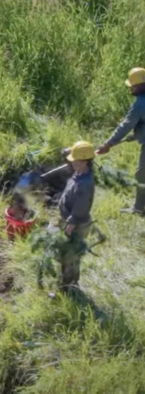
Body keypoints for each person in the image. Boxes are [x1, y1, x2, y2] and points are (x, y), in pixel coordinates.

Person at [96, 67, 145, 215]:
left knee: (142, 174)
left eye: (132, 85)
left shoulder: (139, 104)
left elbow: (126, 125)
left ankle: (138, 208)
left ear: (140, 85)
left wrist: (108, 144)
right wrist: (134, 136)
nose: (130, 88)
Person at [57, 141, 96, 291]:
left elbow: (80, 210)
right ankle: (66, 283)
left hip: (76, 225)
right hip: (68, 220)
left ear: (84, 161)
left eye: (75, 160)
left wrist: (69, 228)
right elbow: (71, 154)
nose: (71, 162)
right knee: (65, 255)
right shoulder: (80, 172)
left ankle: (68, 288)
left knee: (70, 257)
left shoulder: (85, 185)